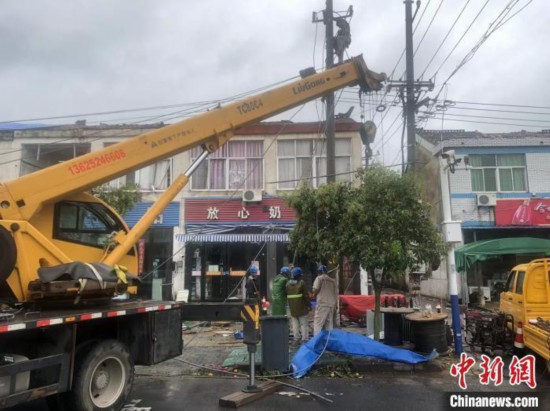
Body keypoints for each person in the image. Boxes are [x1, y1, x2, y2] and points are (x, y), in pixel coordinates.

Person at [286, 267, 311, 345]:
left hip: (292, 308)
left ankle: (296, 339)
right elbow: (306, 296)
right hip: (302, 307)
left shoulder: (287, 284)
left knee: (295, 324)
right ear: (298, 276)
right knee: (304, 324)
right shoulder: (301, 283)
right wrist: (309, 305)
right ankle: (304, 339)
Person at [312, 265, 338, 336]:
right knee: (329, 325)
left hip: (322, 304)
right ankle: (328, 340)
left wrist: (313, 294)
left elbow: (315, 289)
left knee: (318, 324)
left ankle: (316, 340)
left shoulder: (319, 278)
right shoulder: (333, 281)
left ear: (319, 272)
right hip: (331, 305)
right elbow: (335, 293)